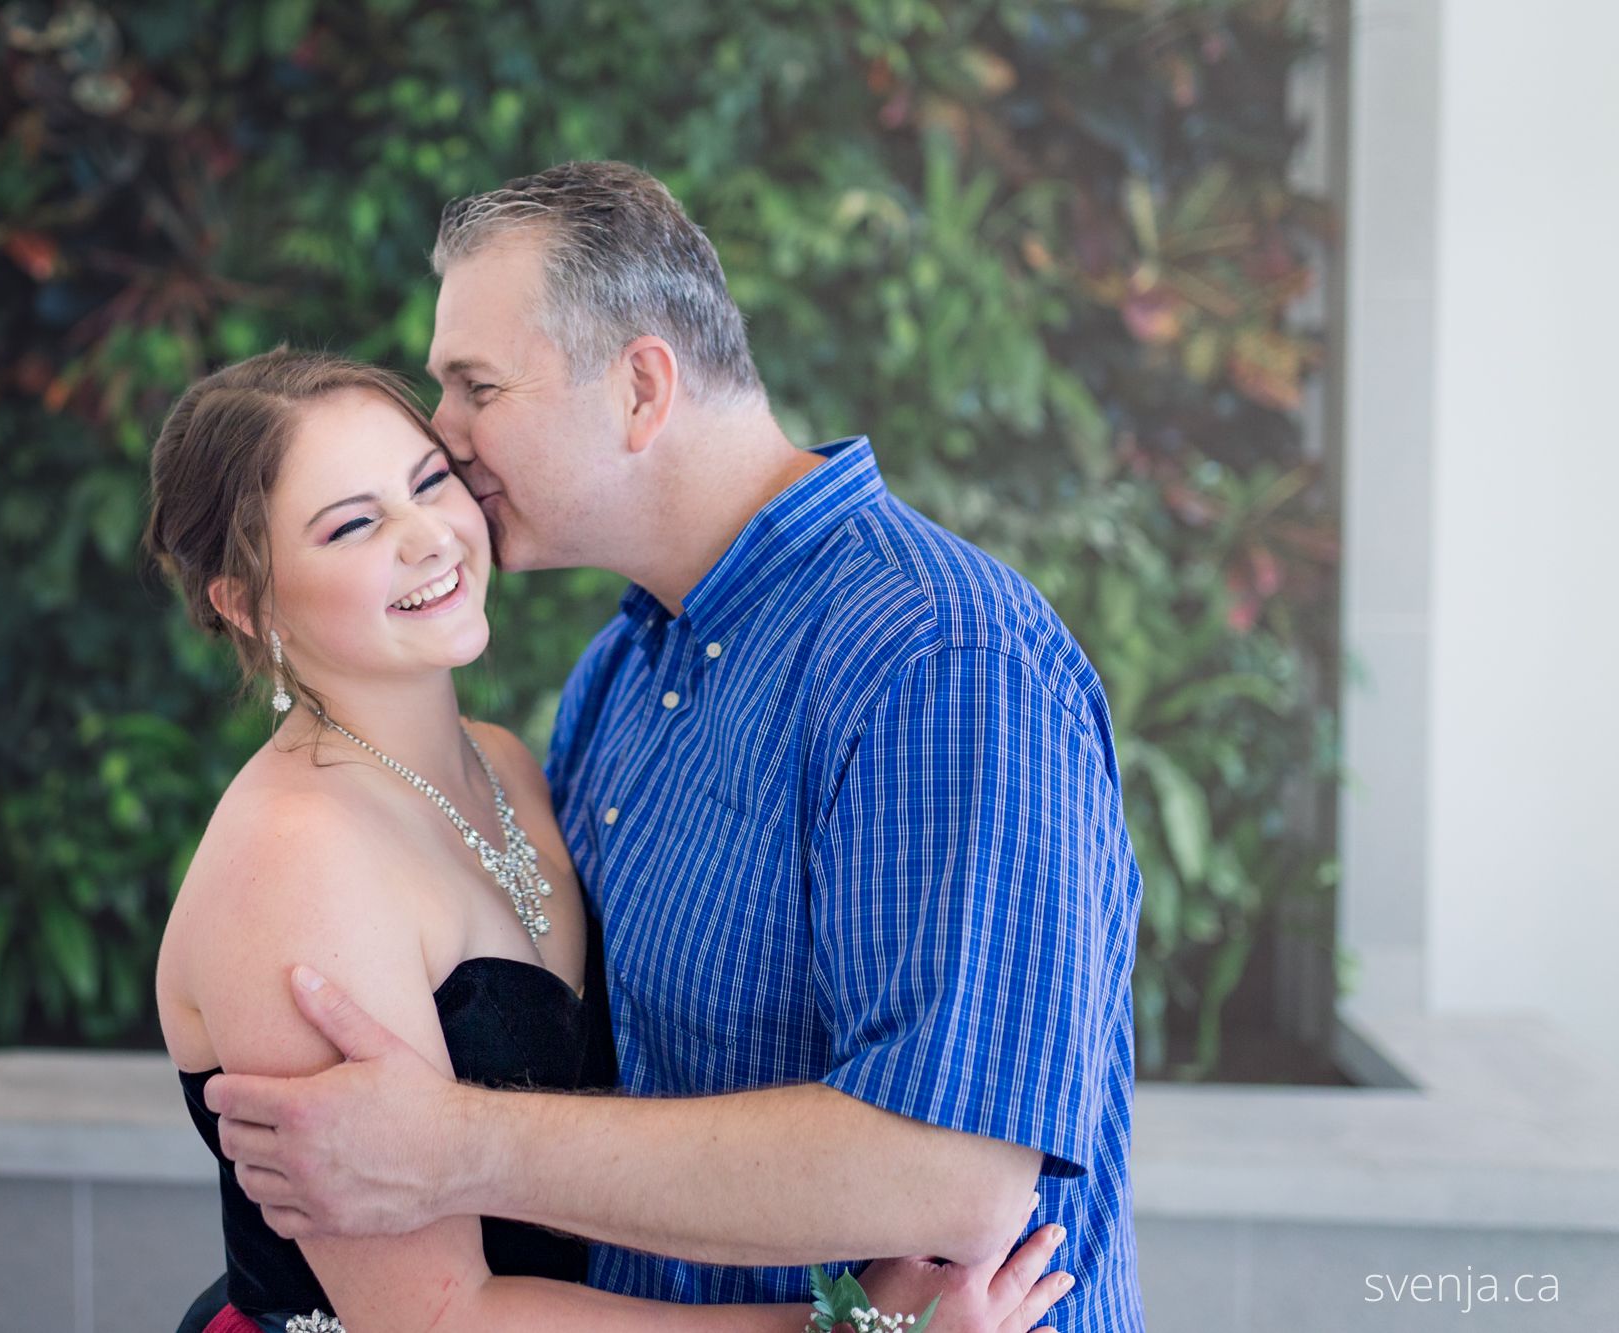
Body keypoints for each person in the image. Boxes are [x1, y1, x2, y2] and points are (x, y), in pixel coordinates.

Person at [200, 162, 1148, 1332]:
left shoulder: (940, 660)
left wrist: (453, 1145)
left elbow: (949, 1179)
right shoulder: (623, 669)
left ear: (640, 390)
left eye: (476, 387)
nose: (442, 438)